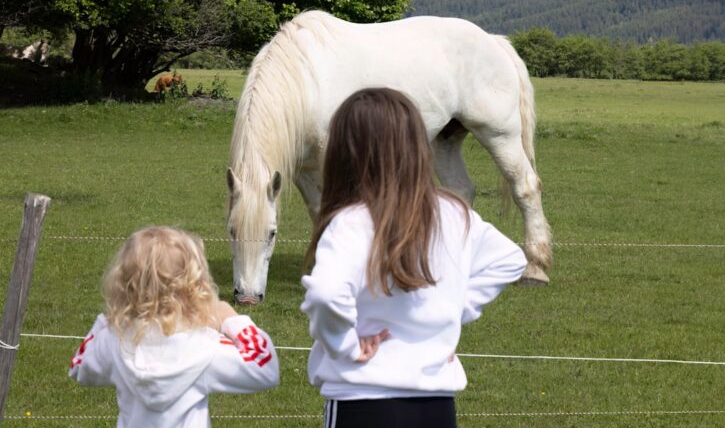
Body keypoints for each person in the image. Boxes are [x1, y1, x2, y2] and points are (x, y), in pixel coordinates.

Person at [301, 87, 528, 428]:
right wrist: (456, 307)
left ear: (345, 153)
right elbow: (509, 259)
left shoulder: (351, 223)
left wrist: (346, 347)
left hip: (362, 401)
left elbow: (325, 293)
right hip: (436, 405)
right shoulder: (453, 213)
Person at [69, 226, 279, 427]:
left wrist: (111, 319)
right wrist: (231, 318)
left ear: (124, 283)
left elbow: (80, 366)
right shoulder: (205, 347)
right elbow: (264, 366)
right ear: (194, 286)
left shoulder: (115, 341)